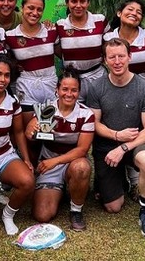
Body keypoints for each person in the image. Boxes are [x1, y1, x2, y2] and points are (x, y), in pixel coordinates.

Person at [87, 38, 145, 238]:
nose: (117, 61)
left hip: (135, 144)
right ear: (105, 60)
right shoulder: (96, 87)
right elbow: (94, 123)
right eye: (112, 57)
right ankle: (119, 182)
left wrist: (124, 147)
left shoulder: (143, 87)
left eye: (121, 56)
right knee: (113, 207)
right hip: (106, 148)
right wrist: (116, 136)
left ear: (129, 57)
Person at [103, 0, 145, 202]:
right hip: (118, 90)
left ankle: (137, 180)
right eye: (130, 9)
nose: (135, 13)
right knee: (122, 128)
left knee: (142, 132)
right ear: (119, 13)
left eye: (139, 12)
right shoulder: (108, 37)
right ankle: (118, 178)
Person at [25, 70, 94, 231]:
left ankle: (76, 210)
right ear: (57, 89)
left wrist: (54, 161)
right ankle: (63, 190)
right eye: (65, 89)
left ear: (79, 91)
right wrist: (31, 130)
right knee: (42, 215)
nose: (69, 94)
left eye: (74, 90)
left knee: (82, 168)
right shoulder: (47, 109)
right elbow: (30, 134)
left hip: (70, 162)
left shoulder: (86, 114)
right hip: (49, 164)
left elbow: (82, 149)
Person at [0, 54, 35, 235]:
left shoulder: (12, 102)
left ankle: (8, 214)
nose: (2, 79)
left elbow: (18, 132)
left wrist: (26, 159)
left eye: (6, 75)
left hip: (4, 155)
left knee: (27, 181)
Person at [5, 0, 59, 166]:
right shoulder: (10, 36)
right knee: (32, 136)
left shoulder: (51, 31)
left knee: (48, 133)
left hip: (49, 86)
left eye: (39, 9)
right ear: (22, 8)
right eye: (30, 8)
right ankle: (33, 171)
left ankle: (51, 172)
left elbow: (64, 53)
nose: (34, 13)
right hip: (26, 88)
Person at [56, 0, 110, 102]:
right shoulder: (60, 26)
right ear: (67, 3)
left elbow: (108, 44)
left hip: (97, 77)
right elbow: (57, 49)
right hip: (72, 81)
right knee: (74, 116)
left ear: (88, 2)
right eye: (74, 1)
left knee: (100, 113)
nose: (78, 5)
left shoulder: (100, 21)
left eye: (82, 1)